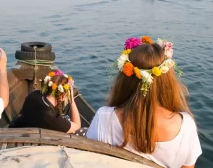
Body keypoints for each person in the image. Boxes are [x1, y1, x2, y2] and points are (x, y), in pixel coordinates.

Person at [86, 36, 202, 168]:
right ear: (167, 80)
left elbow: (91, 160)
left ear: (124, 79)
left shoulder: (104, 117)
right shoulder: (186, 125)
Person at [10, 70, 81, 133]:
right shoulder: (52, 118)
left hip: (18, 130)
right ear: (63, 95)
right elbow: (77, 125)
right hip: (32, 139)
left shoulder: (34, 94)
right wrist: (72, 99)